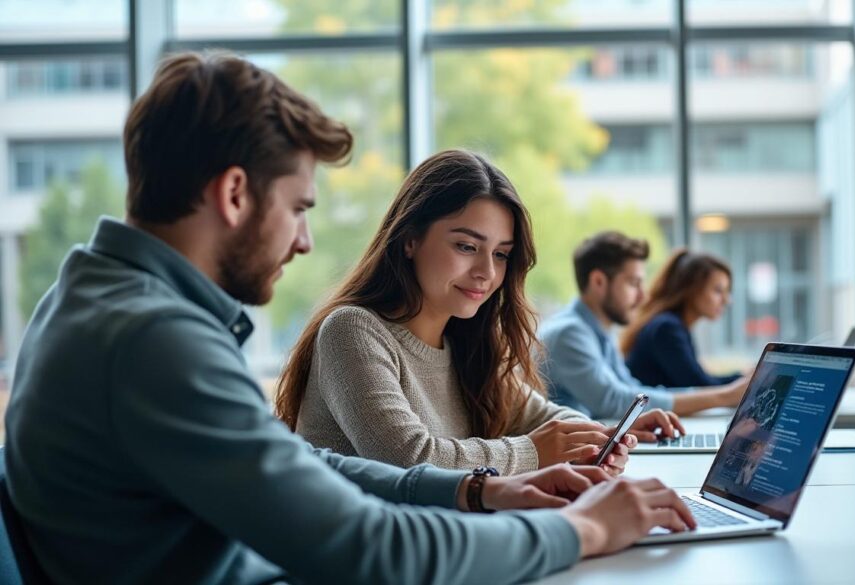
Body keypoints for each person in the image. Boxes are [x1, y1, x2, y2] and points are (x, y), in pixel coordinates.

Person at [2, 52, 695, 585]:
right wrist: (583, 531)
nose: (304, 241)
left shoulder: (93, 294)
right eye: (300, 207)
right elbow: (372, 548)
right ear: (236, 193)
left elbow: (304, 462)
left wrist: (479, 488)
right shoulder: (152, 339)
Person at [276, 149, 683, 476]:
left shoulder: (466, 340)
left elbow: (539, 416)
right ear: (409, 240)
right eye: (466, 247)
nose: (487, 273)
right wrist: (535, 451)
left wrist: (601, 436)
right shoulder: (352, 330)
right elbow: (410, 460)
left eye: (502, 254)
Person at [538, 232, 748, 423]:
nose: (643, 296)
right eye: (633, 283)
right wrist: (725, 396)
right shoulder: (570, 333)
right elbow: (613, 401)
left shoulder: (598, 331)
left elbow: (633, 391)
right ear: (599, 281)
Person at [620, 248, 745, 388]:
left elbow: (700, 378)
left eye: (727, 292)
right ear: (692, 289)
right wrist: (746, 379)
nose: (727, 300)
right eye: (718, 290)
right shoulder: (667, 328)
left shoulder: (673, 325)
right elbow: (699, 385)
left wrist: (743, 376)